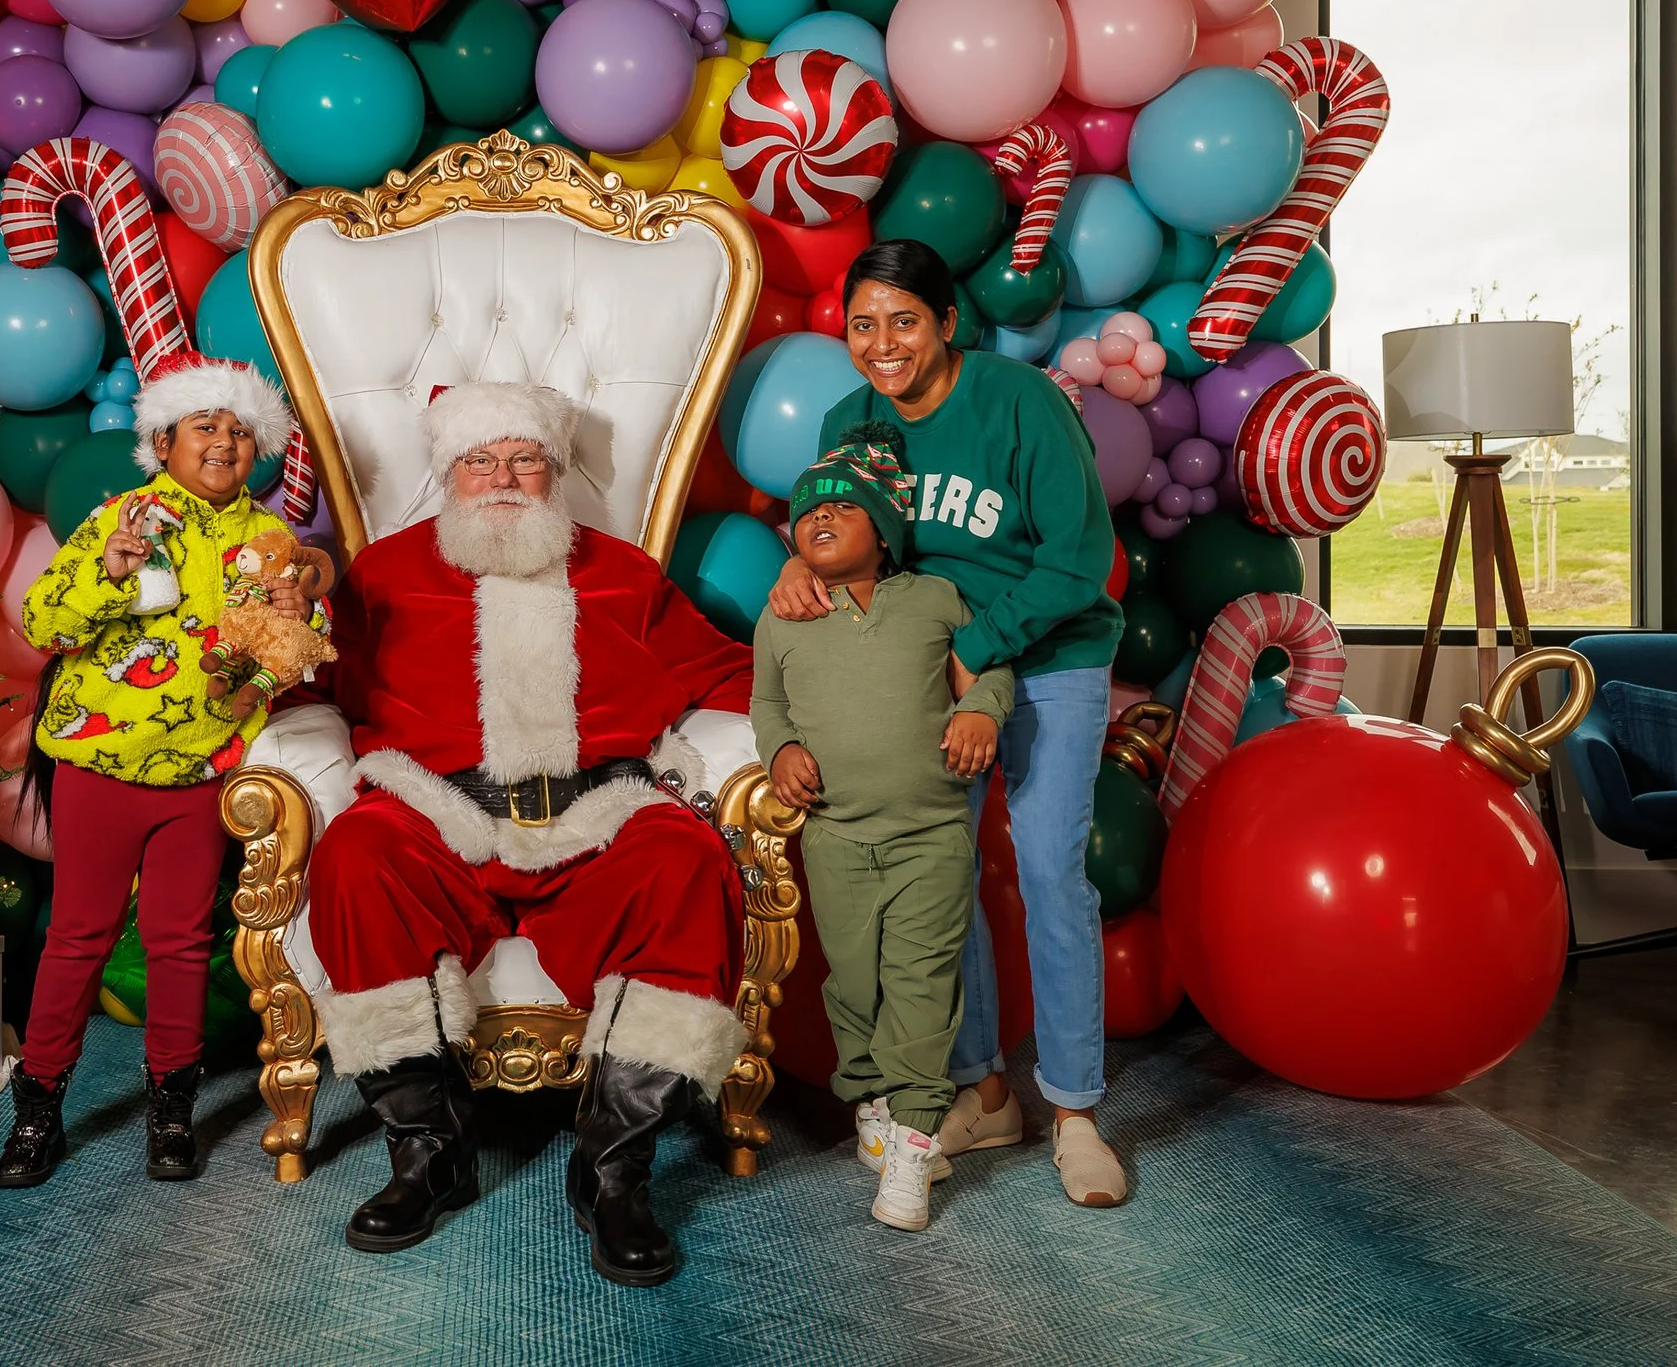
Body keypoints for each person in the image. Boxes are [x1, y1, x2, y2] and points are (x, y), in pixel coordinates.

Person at [303, 381, 753, 1288]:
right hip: (438, 817)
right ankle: (428, 1151)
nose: (502, 478)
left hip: (595, 821)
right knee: (354, 853)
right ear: (447, 472)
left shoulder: (623, 574)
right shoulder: (384, 576)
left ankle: (615, 1168)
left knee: (688, 858)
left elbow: (734, 672)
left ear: (553, 471)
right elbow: (300, 678)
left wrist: (828, 631)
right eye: (480, 460)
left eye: (524, 459)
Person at [766, 239, 1128, 1208]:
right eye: (862, 324)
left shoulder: (1019, 401)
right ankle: (985, 1088)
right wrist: (801, 561)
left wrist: (988, 643)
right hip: (931, 672)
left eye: (903, 321)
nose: (882, 343)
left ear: (945, 325)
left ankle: (1077, 1113)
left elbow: (1080, 554)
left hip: (1045, 657)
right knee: (942, 877)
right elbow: (834, 521)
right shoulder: (854, 418)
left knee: (1050, 869)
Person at [0, 354, 325, 1192]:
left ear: (262, 452)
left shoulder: (271, 544)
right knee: (78, 939)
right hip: (103, 765)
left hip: (202, 775)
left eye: (241, 431)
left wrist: (299, 614)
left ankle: (171, 1108)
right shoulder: (122, 518)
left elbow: (293, 662)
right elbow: (41, 620)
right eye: (205, 427)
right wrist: (108, 573)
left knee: (178, 943)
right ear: (163, 441)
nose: (225, 442)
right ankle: (37, 1108)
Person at [752, 420, 1012, 1232]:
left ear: (887, 529)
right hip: (834, 837)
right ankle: (868, 1101)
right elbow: (767, 701)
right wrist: (781, 746)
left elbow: (988, 672)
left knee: (922, 985)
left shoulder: (933, 600)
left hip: (931, 834)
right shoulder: (784, 616)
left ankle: (913, 1143)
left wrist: (979, 710)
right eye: (807, 513)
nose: (820, 519)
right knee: (853, 983)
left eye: (843, 508)